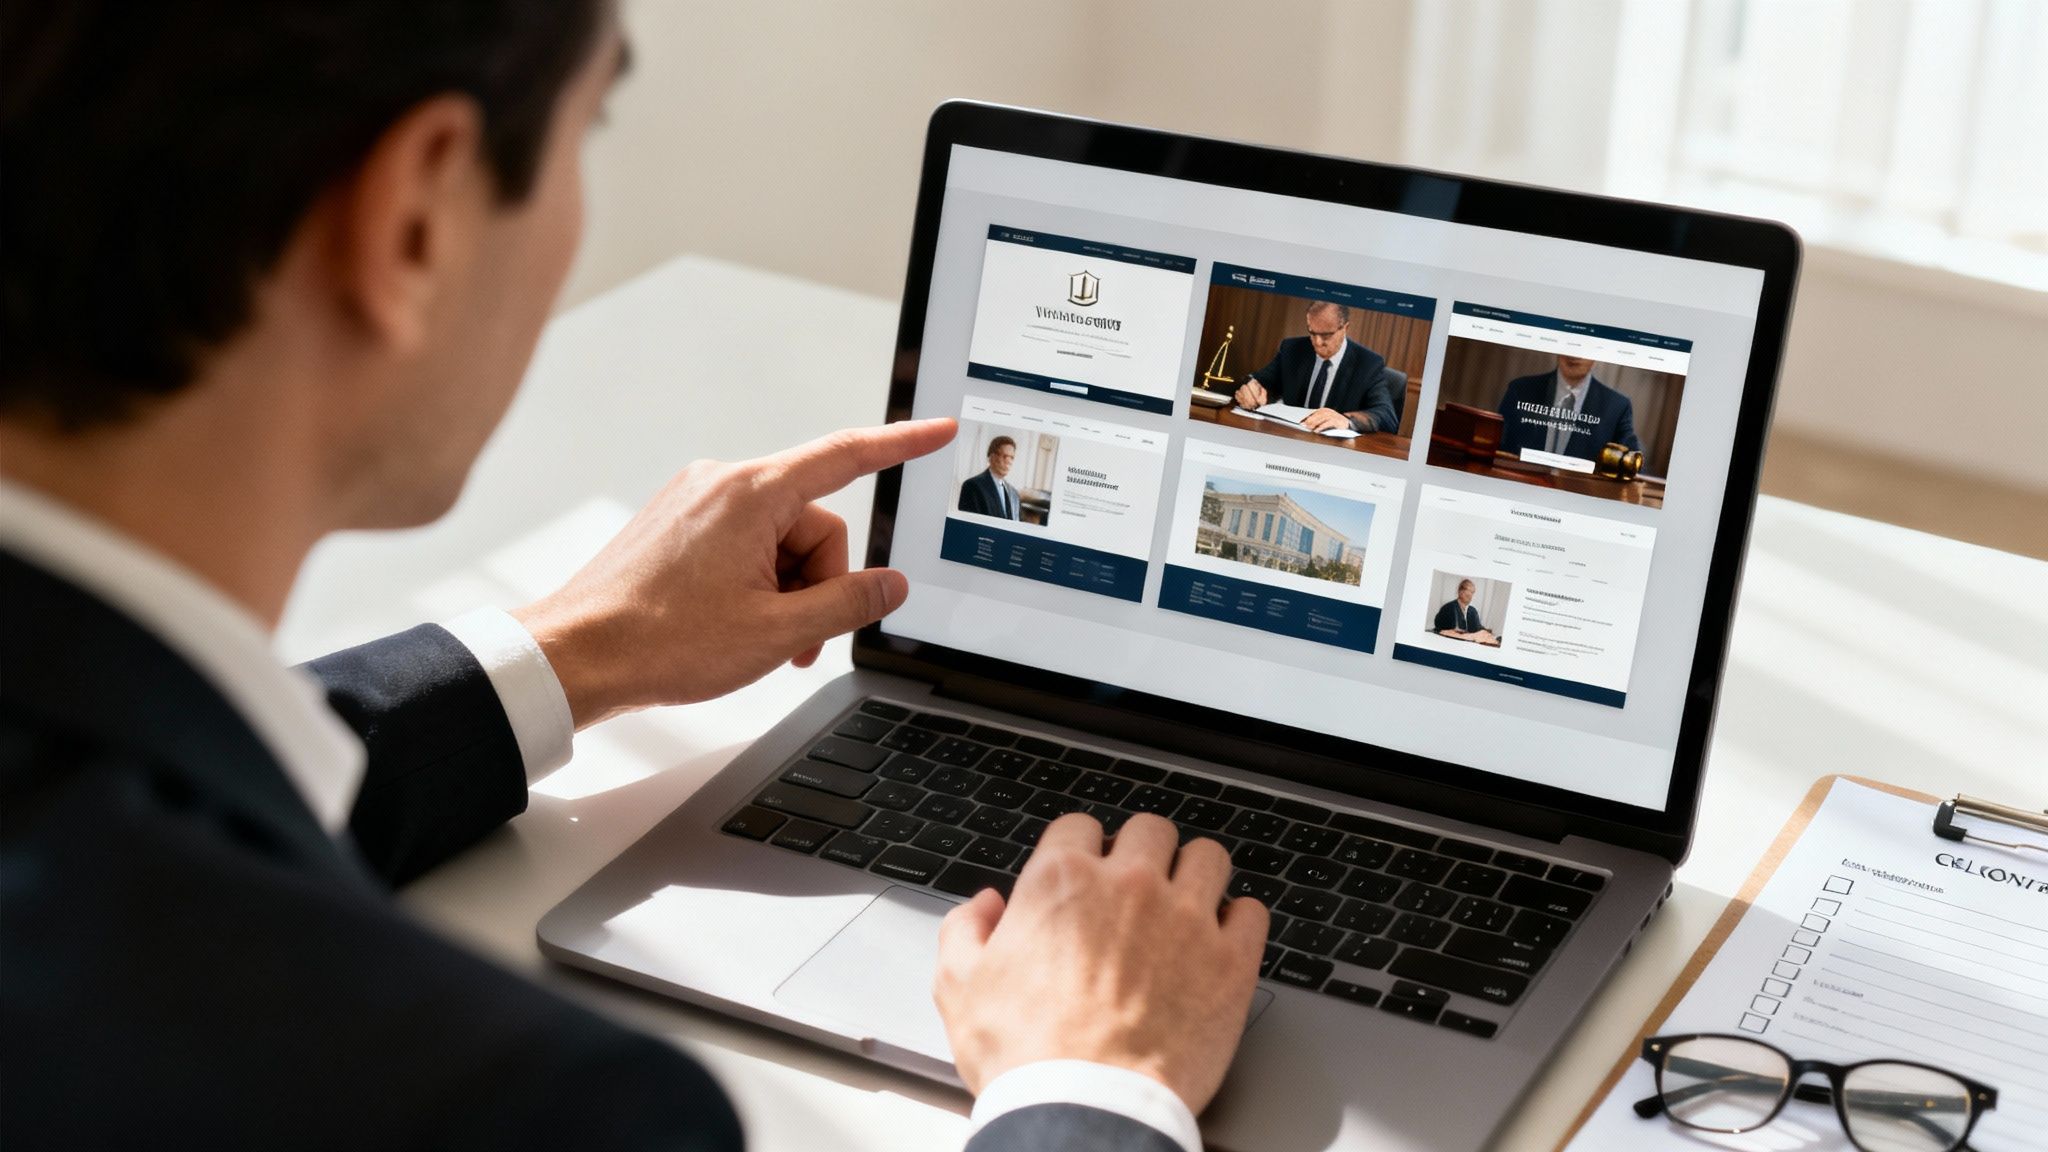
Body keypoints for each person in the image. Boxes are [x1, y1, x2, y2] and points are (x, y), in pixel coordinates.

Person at [0, 5, 1266, 1151]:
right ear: (413, 217)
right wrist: (1094, 1088)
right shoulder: (523, 1109)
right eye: (584, 130)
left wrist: (575, 649)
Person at [1232, 301, 1398, 435]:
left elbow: (1387, 416)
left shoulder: (1368, 363)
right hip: (1290, 437)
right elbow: (1261, 380)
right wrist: (1251, 387)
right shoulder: (1292, 349)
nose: (1317, 342)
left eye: (1326, 335)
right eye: (1312, 333)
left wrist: (1346, 420)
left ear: (1345, 328)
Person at [1495, 354, 1641, 462]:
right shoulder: (1520, 390)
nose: (1575, 354)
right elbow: (1496, 448)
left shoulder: (1617, 407)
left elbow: (1633, 461)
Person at [957, 434, 1025, 520]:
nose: (1008, 462)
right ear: (991, 457)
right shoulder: (972, 486)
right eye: (1004, 456)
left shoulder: (1014, 494)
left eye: (1011, 457)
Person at [1433, 579, 1498, 645]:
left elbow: (1478, 627)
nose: (1470, 594)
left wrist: (1486, 632)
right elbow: (1440, 629)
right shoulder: (1448, 608)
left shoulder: (1473, 610)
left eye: (1472, 592)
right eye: (1468, 591)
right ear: (1460, 591)